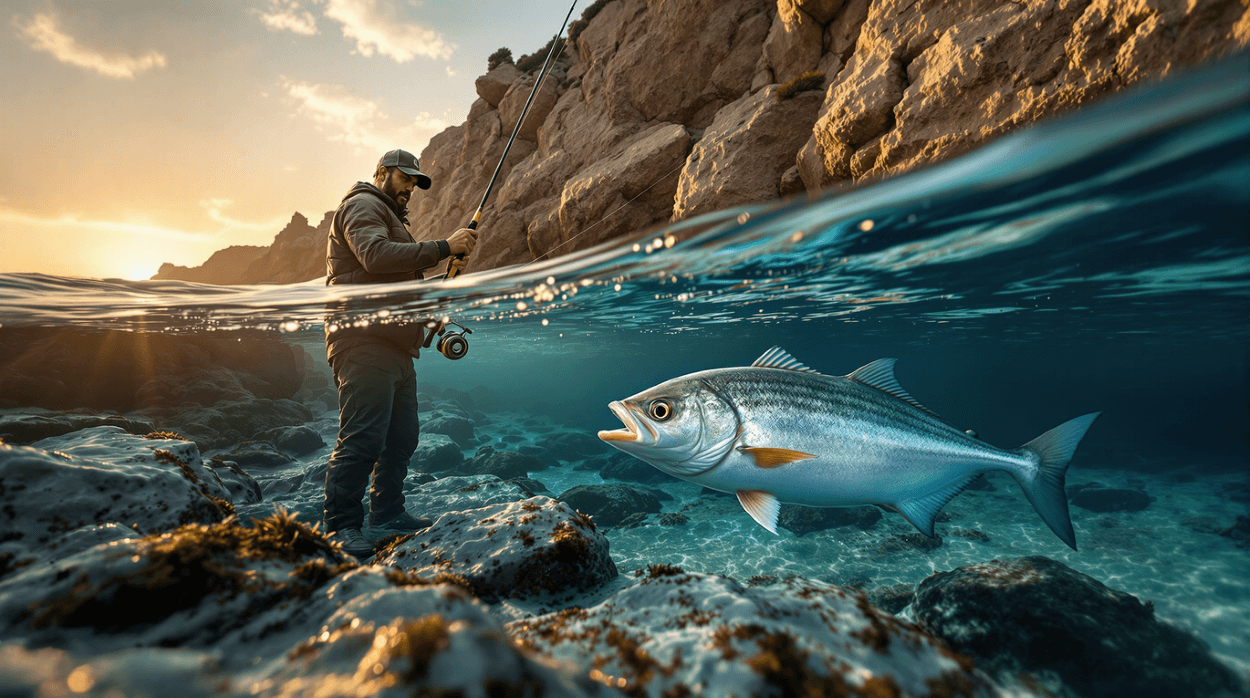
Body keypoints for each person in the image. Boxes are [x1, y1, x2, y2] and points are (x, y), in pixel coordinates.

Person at [322, 148, 478, 559]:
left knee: (402, 437)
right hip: (362, 342)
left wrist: (438, 286)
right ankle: (340, 527)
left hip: (395, 348)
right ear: (382, 172)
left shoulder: (390, 216)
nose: (410, 186)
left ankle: (387, 514)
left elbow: (396, 281)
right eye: (405, 177)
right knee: (363, 438)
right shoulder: (361, 205)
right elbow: (373, 256)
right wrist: (445, 246)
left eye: (415, 181)